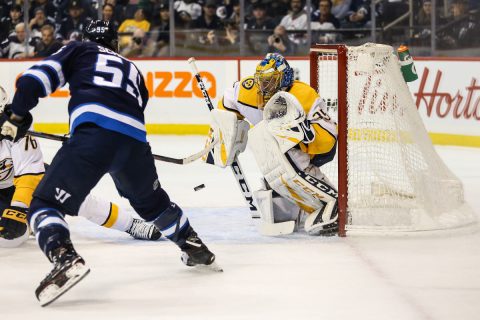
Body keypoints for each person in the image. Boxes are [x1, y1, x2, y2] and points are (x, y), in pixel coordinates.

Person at [0, 20, 218, 307]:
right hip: (134, 143)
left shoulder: (79, 50)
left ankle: (64, 257)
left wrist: (16, 116)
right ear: (115, 43)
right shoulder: (134, 71)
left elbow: (32, 81)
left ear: (87, 39)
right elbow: (127, 111)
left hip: (93, 137)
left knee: (43, 204)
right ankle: (194, 247)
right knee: (152, 204)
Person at [204, 53, 338, 236]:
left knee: (286, 158)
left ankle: (332, 201)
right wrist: (223, 130)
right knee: (271, 160)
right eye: (261, 81)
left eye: (270, 82)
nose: (263, 88)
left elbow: (328, 139)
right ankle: (287, 205)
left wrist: (303, 134)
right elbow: (227, 102)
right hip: (277, 149)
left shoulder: (304, 95)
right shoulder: (248, 90)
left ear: (285, 79)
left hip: (314, 147)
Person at [0, 105, 161, 247]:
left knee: (79, 200)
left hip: (29, 180)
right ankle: (33, 221)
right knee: (11, 240)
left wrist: (18, 210)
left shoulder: (15, 124)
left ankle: (129, 224)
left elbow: (30, 174)